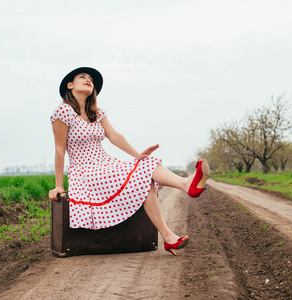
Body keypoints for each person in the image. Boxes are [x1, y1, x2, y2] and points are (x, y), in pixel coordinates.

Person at [48, 67, 210, 256]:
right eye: (82, 77)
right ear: (70, 85)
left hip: (105, 164)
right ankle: (185, 186)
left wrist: (136, 155)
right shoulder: (63, 111)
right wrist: (59, 186)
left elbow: (115, 136)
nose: (88, 80)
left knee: (146, 169)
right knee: (145, 172)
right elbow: (59, 151)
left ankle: (169, 236)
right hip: (85, 171)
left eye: (91, 79)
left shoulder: (96, 112)